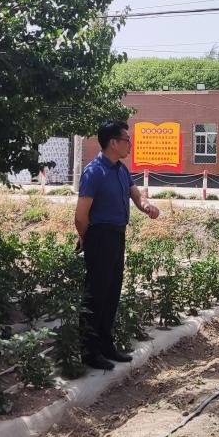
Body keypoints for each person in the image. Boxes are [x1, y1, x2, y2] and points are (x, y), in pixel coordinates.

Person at [75, 121, 160, 371]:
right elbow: (80, 216)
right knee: (95, 295)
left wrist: (146, 206)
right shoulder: (94, 172)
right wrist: (86, 237)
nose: (130, 145)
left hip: (116, 236)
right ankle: (89, 352)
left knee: (111, 292)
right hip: (99, 237)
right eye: (126, 140)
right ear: (113, 142)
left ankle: (106, 345)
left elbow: (135, 194)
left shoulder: (121, 169)